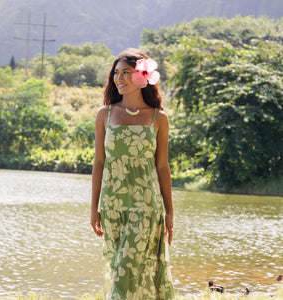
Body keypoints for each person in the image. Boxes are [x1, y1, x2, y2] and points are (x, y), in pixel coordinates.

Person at [90, 48, 174, 300]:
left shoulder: (158, 118)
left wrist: (169, 211)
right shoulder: (105, 115)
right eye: (116, 73)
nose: (119, 78)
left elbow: (162, 167)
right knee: (123, 269)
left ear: (142, 76)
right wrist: (94, 208)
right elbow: (99, 162)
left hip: (145, 205)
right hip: (113, 203)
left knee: (128, 270)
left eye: (126, 72)